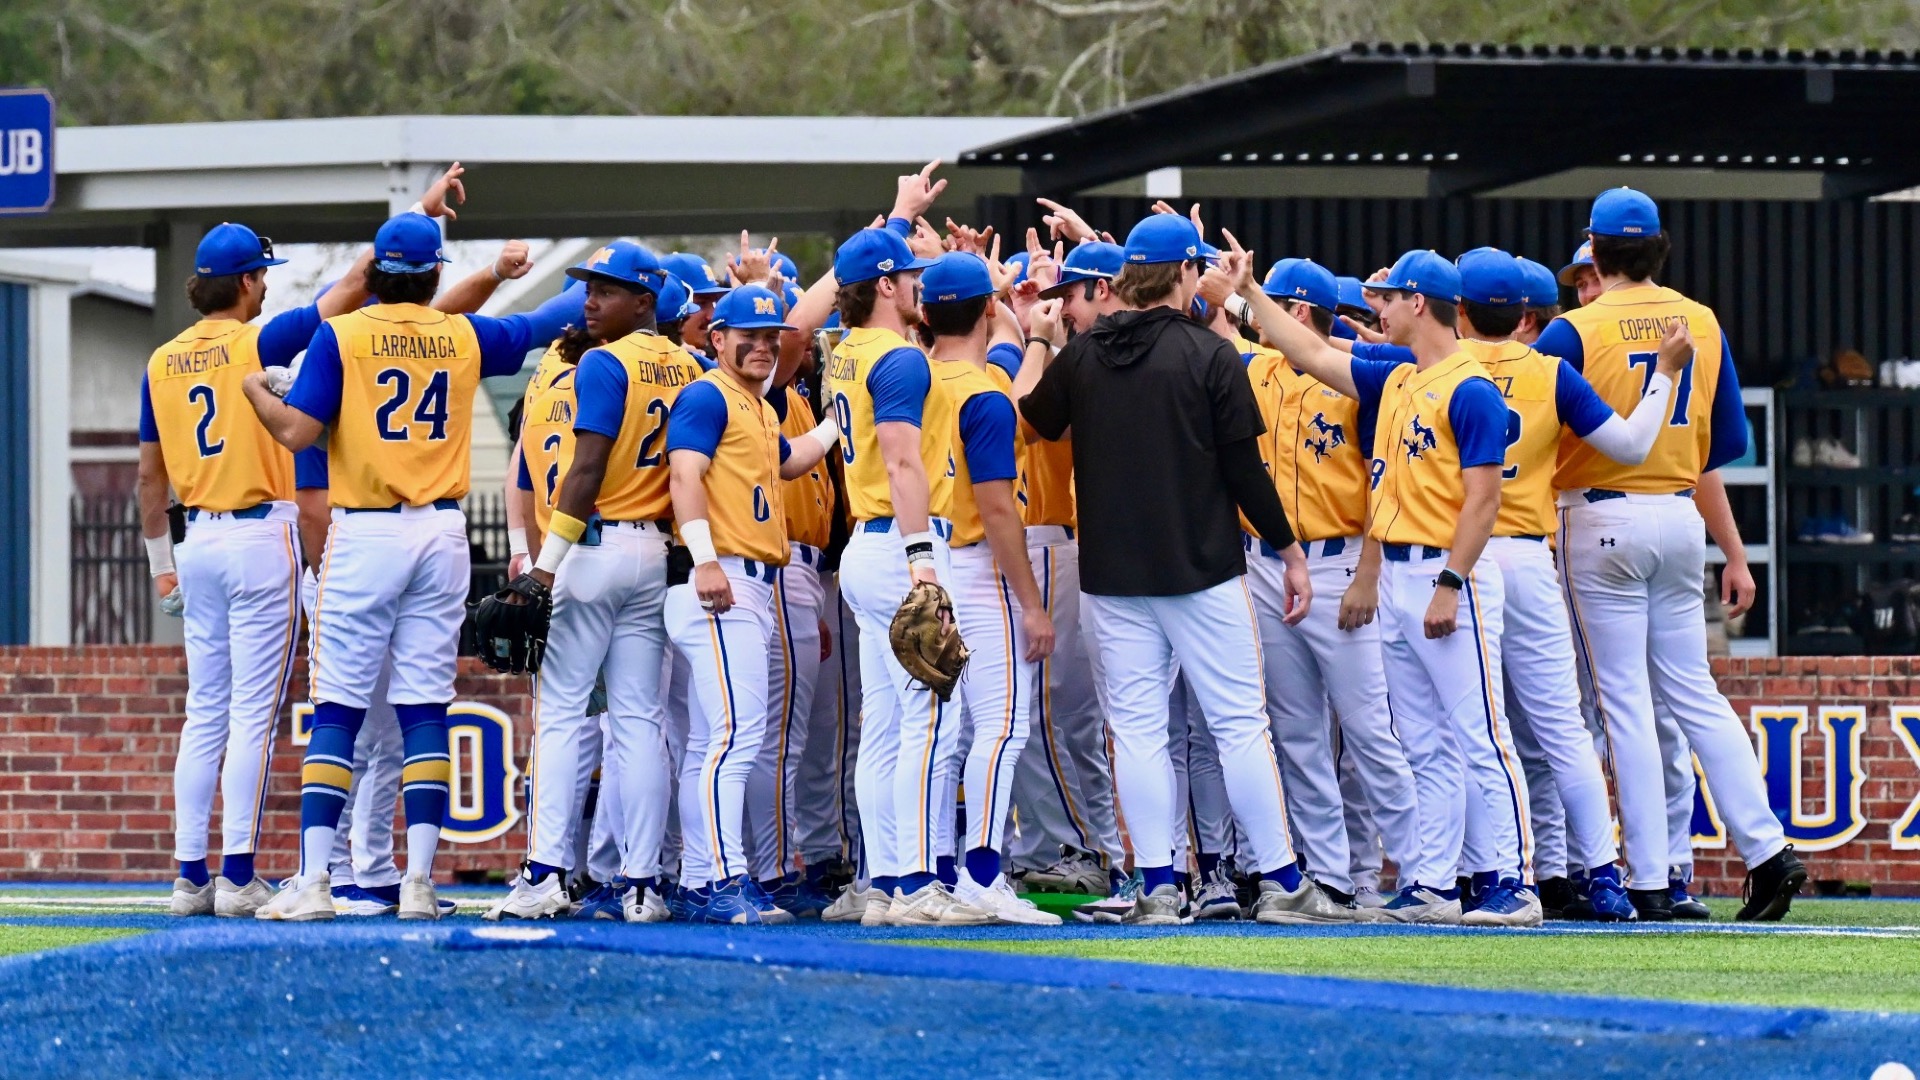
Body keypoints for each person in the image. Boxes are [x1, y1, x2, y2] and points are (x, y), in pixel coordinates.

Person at [238, 211, 578, 921]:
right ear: (431, 275)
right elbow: (538, 325)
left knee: (338, 708)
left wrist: (256, 392)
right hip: (443, 534)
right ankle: (418, 880)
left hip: (367, 533)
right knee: (425, 709)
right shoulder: (460, 334)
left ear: (374, 273)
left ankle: (316, 882)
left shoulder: (341, 334)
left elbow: (297, 430)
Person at [1017, 213, 1344, 927]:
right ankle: (1284, 882)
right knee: (1238, 725)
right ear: (1186, 275)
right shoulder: (1207, 353)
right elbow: (1244, 470)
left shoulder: (1084, 353)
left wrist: (1040, 336)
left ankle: (1160, 884)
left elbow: (1034, 417)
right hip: (1201, 568)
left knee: (1136, 733)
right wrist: (1289, 551)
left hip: (1112, 574)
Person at [1226, 240, 1536, 928]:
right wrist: (1245, 294)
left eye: (1389, 297)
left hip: (1445, 571)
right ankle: (1433, 883)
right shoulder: (1398, 375)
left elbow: (1484, 501)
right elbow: (1307, 352)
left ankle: (1515, 880)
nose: (1375, 307)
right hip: (1397, 572)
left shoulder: (1472, 386)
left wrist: (1452, 582)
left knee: (1481, 733)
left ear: (1418, 302)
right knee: (1423, 741)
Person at [1533, 187, 1805, 921]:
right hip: (1680, 513)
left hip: (1599, 515)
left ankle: (1650, 877)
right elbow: (1722, 445)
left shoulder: (1576, 328)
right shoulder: (1703, 320)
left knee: (1624, 703)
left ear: (1595, 249)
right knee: (1696, 695)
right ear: (1660, 247)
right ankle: (1768, 848)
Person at [138, 222, 367, 917]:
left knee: (201, 711)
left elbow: (150, 481)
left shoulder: (160, 359)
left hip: (197, 539)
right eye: (261, 275)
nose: (266, 285)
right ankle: (238, 875)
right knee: (252, 718)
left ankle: (188, 876)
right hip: (260, 531)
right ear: (243, 281)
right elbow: (352, 288)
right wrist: (416, 211)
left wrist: (161, 569)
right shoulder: (254, 340)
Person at [484, 242, 694, 923]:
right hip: (653, 551)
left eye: (608, 289)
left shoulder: (605, 361)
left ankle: (546, 874)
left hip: (593, 548)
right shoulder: (686, 363)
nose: (591, 300)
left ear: (645, 300)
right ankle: (643, 883)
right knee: (639, 720)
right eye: (587, 287)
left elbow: (586, 468)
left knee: (563, 716)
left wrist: (544, 566)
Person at [823, 216, 996, 928]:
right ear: (887, 286)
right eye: (911, 277)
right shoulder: (898, 357)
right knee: (930, 724)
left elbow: (838, 444)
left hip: (866, 546)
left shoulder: (846, 351)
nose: (920, 288)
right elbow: (901, 460)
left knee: (889, 726)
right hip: (900, 544)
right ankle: (919, 885)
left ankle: (887, 882)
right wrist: (924, 562)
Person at [1235, 256, 1418, 916]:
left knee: (1371, 730)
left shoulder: (1355, 383)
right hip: (1267, 563)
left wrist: (1369, 571)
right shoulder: (1251, 370)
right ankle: (1331, 876)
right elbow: (1209, 317)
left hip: (1342, 563)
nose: (1255, 321)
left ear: (1297, 312)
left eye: (1269, 309)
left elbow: (1385, 479)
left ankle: (1422, 873)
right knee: (1297, 732)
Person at [664, 284, 840, 923]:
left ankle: (696, 880)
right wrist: (706, 558)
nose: (763, 346)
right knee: (736, 738)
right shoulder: (708, 393)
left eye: (772, 337)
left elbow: (790, 463)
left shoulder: (759, 406)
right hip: (722, 579)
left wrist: (835, 423)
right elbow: (683, 475)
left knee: (714, 739)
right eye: (750, 336)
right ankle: (723, 881)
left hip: (750, 584)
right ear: (717, 338)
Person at [918, 251, 1058, 925]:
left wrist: (1025, 333)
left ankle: (935, 870)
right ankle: (982, 873)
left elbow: (1006, 377)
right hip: (974, 564)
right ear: (985, 309)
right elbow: (1000, 508)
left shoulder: (911, 375)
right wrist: (1033, 603)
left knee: (938, 731)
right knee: (1000, 726)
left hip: (918, 557)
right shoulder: (980, 394)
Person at [1011, 240, 1129, 895]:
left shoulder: (1070, 364)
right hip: (1051, 545)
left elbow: (1020, 413)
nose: (1059, 311)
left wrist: (1031, 334)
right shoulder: (1058, 355)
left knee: (1053, 716)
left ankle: (1081, 850)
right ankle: (1094, 848)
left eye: (1066, 298)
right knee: (1069, 720)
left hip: (1051, 543)